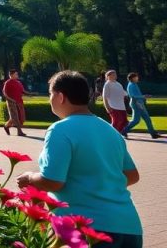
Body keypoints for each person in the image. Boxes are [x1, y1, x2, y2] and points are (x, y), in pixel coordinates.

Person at [17, 70, 142, 248]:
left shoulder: (60, 129)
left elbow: (53, 181)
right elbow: (132, 175)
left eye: (50, 94)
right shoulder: (110, 130)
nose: (49, 100)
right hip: (129, 227)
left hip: (88, 229)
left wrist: (29, 177)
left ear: (60, 96)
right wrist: (102, 184)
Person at [124, 72, 161, 139]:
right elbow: (133, 96)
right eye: (136, 77)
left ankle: (153, 133)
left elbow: (135, 95)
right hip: (137, 104)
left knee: (141, 119)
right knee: (140, 120)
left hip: (138, 103)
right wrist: (144, 96)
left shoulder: (133, 84)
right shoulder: (132, 85)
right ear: (133, 78)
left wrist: (143, 97)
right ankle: (124, 131)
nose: (137, 78)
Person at [102, 70, 129, 135]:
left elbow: (125, 93)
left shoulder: (118, 84)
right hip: (113, 106)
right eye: (113, 75)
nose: (115, 76)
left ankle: (117, 133)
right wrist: (107, 107)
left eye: (115, 74)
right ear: (108, 76)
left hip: (121, 106)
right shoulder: (107, 84)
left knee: (125, 121)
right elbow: (104, 97)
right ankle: (111, 134)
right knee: (116, 121)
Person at [2, 69, 27, 136]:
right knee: (15, 117)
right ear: (11, 75)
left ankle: (6, 126)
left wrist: (31, 93)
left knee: (20, 118)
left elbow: (23, 91)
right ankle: (19, 132)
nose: (17, 75)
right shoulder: (7, 83)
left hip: (19, 102)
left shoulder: (18, 83)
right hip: (11, 103)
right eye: (16, 74)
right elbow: (4, 93)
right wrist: (11, 100)